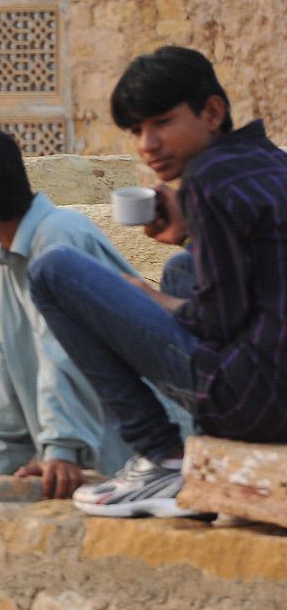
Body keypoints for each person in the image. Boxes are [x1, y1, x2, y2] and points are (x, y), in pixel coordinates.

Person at [27, 46, 287, 517]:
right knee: (182, 269)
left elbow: (217, 321)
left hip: (254, 399)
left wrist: (148, 299)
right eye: (137, 130)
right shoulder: (266, 161)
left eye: (162, 123)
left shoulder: (207, 179)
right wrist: (189, 233)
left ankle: (161, 455)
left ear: (211, 112)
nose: (147, 144)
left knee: (53, 272)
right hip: (275, 382)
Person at [0, 125, 189, 500]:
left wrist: (62, 448)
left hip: (145, 449)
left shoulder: (60, 238)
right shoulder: (12, 254)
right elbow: (11, 367)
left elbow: (63, 352)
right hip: (105, 455)